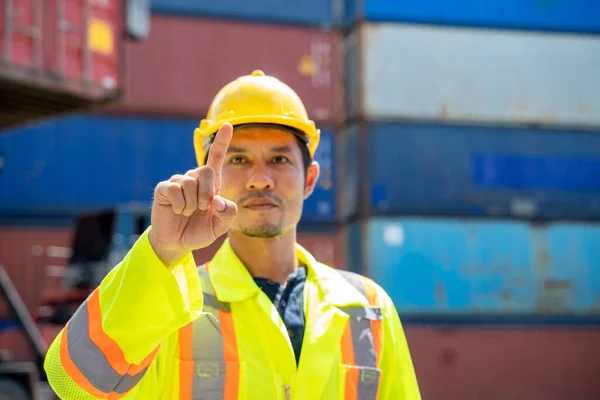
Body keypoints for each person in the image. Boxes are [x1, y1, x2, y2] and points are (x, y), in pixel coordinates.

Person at [44, 70, 421, 399]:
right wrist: (162, 253)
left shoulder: (369, 309)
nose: (260, 179)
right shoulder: (172, 309)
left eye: (279, 159)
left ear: (309, 179)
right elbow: (74, 383)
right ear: (213, 180)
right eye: (238, 160)